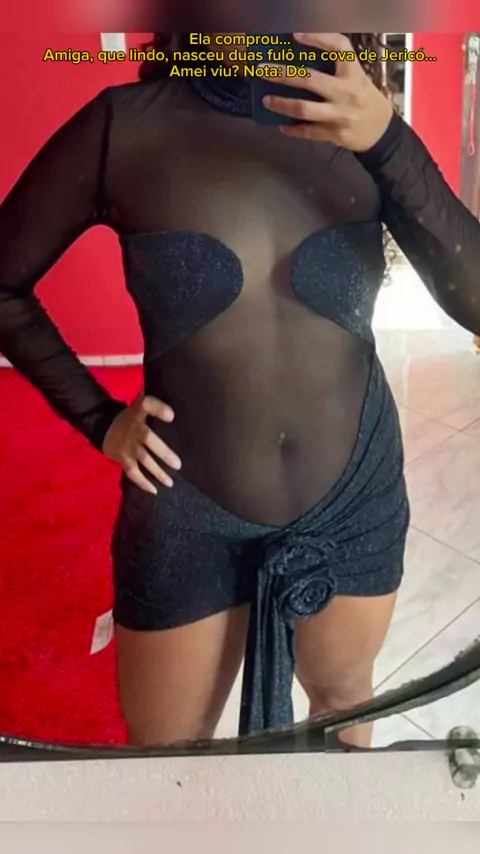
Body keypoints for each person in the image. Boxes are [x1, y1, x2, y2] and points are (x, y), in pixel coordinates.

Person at [1, 32, 479, 749]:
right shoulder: (124, 125)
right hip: (187, 501)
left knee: (342, 705)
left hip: (352, 492)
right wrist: (98, 419)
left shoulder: (363, 122)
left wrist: (387, 140)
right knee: (166, 755)